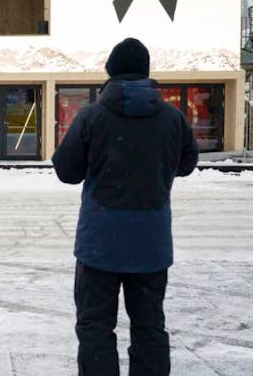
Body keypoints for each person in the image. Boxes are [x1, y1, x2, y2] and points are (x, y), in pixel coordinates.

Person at [52, 38, 198, 376]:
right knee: (149, 326)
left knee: (95, 327)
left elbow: (66, 170)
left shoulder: (92, 116)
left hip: (100, 245)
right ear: (146, 73)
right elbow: (187, 163)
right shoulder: (172, 118)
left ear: (111, 73)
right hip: (151, 244)